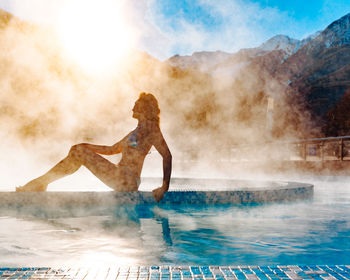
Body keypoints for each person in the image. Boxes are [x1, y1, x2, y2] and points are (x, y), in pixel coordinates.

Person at [16, 92, 172, 202]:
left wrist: (164, 187)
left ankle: (41, 183)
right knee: (79, 153)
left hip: (127, 180)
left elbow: (167, 155)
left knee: (80, 154)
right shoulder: (135, 131)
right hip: (121, 177)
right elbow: (112, 149)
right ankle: (42, 183)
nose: (132, 108)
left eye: (135, 105)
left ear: (144, 108)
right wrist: (84, 145)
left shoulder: (152, 129)